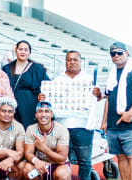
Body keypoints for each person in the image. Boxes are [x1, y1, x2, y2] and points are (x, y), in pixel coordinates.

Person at [39, 50, 102, 180]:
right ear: (65, 62)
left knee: (84, 161)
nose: (72, 62)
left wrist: (98, 94)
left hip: (83, 126)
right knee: (59, 159)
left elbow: (98, 98)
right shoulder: (58, 80)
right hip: (62, 127)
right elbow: (48, 102)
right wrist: (43, 97)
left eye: (75, 59)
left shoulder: (90, 80)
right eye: (69, 60)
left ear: (80, 61)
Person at [101, 42, 132, 180]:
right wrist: (104, 121)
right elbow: (108, 98)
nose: (116, 56)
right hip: (113, 124)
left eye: (119, 52)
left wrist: (131, 112)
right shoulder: (112, 74)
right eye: (113, 53)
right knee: (120, 157)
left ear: (126, 53)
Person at [2, 40, 50, 129]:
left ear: (29, 52)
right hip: (11, 107)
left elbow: (48, 87)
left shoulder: (37, 68)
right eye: (20, 49)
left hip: (29, 107)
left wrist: (42, 95)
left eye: (26, 50)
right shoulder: (7, 68)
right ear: (16, 51)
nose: (23, 52)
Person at [23, 101, 71, 180]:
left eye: (47, 111)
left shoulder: (62, 130)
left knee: (63, 174)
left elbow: (62, 160)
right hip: (40, 163)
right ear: (36, 115)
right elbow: (28, 153)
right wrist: (36, 161)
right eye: (40, 111)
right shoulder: (31, 129)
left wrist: (44, 149)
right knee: (27, 169)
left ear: (52, 115)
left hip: (58, 165)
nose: (43, 114)